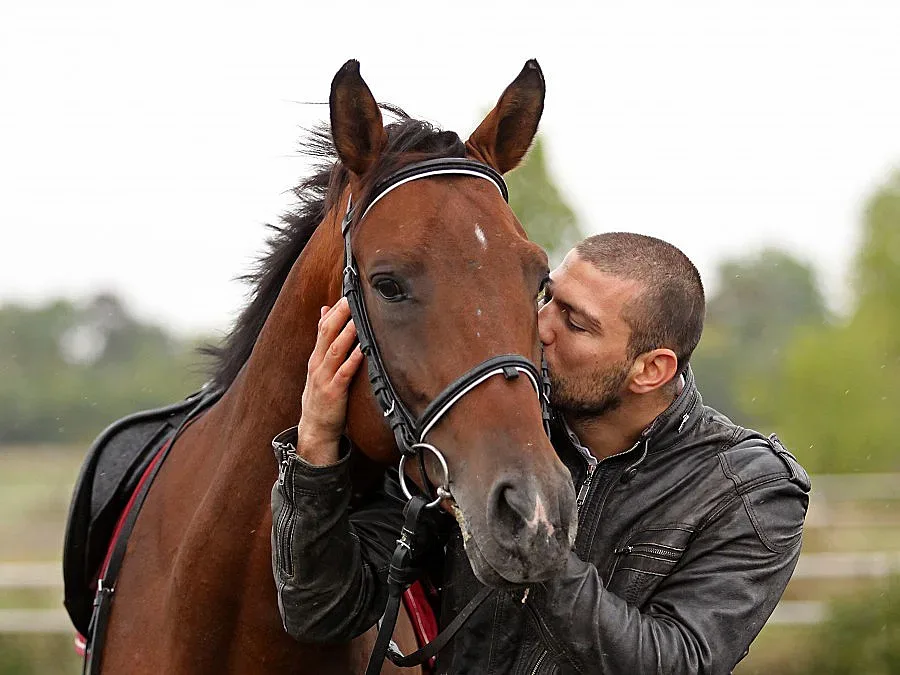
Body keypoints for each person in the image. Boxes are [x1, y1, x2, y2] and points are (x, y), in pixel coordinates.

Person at [270, 232, 810, 674]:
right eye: (547, 297)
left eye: (576, 323)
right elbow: (322, 612)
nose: (541, 327)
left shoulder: (749, 491)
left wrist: (533, 548)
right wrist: (316, 448)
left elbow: (675, 663)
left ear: (651, 370)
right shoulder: (488, 433)